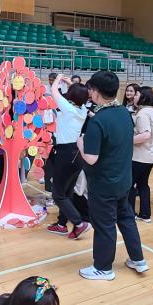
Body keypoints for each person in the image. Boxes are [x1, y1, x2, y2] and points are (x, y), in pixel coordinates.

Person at [77, 71, 147, 280]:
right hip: (123, 179)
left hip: (104, 183)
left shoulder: (98, 120)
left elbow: (91, 158)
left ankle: (103, 267)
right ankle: (138, 259)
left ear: (96, 92)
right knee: (126, 219)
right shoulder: (124, 112)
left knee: (104, 224)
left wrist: (80, 145)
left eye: (91, 89)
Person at [45, 76, 91, 239]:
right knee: (68, 192)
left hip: (65, 154)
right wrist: (71, 84)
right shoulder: (82, 109)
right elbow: (80, 96)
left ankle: (79, 224)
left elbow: (53, 90)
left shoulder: (68, 108)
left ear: (71, 95)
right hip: (76, 154)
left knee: (58, 194)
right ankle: (61, 224)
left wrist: (59, 78)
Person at [129, 86, 153, 223]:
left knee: (130, 184)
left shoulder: (143, 114)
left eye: (136, 95)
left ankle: (130, 213)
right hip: (150, 155)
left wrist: (126, 141)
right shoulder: (150, 110)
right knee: (143, 184)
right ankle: (145, 214)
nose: (134, 97)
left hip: (140, 156)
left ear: (143, 97)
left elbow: (145, 135)